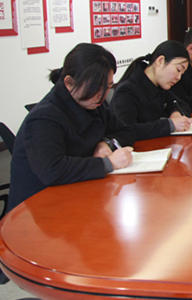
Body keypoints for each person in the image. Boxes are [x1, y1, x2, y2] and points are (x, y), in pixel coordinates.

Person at [9, 43, 134, 210]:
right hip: (38, 208)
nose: (101, 95)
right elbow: (52, 171)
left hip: (78, 192)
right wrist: (108, 163)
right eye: (94, 88)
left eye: (108, 86)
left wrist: (105, 143)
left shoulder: (92, 104)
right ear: (68, 82)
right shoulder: (44, 117)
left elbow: (126, 131)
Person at [111, 40, 192, 141]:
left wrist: (175, 113)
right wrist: (170, 125)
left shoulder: (159, 86)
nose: (178, 77)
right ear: (160, 61)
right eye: (178, 70)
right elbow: (127, 130)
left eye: (182, 74)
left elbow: (183, 104)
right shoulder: (127, 90)